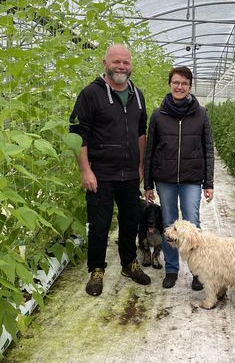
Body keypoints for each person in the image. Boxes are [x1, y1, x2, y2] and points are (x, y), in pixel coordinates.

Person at [69, 44, 151, 296]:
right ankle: (97, 269)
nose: (121, 67)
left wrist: (140, 166)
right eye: (116, 62)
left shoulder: (137, 95)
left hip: (129, 174)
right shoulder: (90, 94)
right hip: (101, 173)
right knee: (99, 224)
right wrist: (86, 171)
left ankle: (129, 263)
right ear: (105, 62)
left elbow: (140, 133)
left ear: (131, 65)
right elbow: (78, 135)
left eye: (126, 62)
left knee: (130, 220)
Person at [144, 66, 214, 289]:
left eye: (184, 83)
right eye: (176, 82)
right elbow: (150, 150)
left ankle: (197, 271)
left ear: (190, 87)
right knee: (168, 223)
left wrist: (208, 182)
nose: (180, 86)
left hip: (192, 178)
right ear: (169, 84)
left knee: (192, 222)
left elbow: (208, 148)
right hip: (164, 179)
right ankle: (171, 269)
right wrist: (148, 183)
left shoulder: (201, 113)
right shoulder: (158, 114)